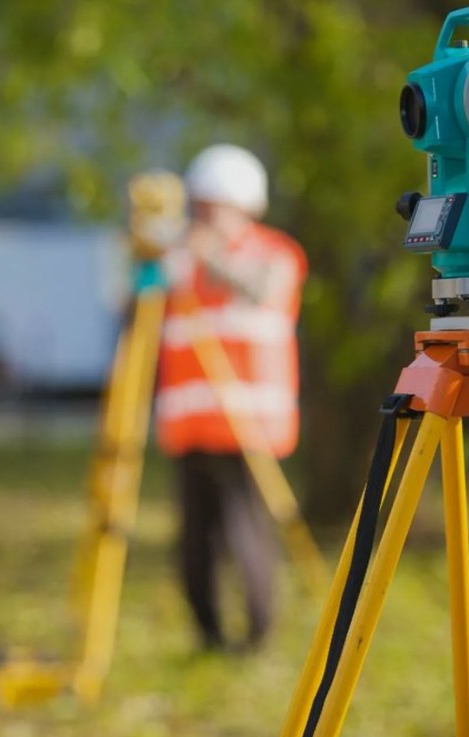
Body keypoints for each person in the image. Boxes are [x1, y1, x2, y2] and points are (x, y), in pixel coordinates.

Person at [155, 144, 308, 652]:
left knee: (247, 536)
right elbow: (136, 304)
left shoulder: (275, 253)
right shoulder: (181, 259)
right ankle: (209, 635)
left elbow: (263, 291)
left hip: (247, 422)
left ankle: (258, 634)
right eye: (200, 206)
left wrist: (209, 256)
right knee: (194, 542)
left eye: (215, 205)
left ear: (245, 203)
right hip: (189, 424)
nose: (206, 216)